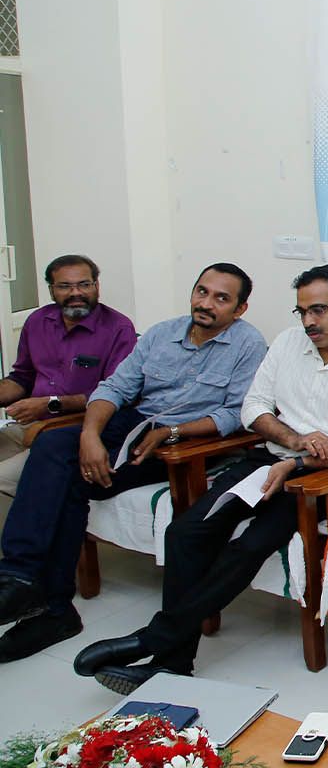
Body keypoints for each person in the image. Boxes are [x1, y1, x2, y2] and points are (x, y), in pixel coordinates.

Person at [74, 263, 328, 693]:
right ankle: (174, 663)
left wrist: (298, 464)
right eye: (301, 311)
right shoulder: (288, 344)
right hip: (269, 458)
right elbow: (253, 408)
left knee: (248, 546)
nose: (308, 322)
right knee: (186, 533)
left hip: (320, 477)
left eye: (318, 310)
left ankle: (156, 641)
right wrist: (293, 441)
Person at [0, 263, 266, 662]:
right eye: (202, 291)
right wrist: (90, 436)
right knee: (54, 445)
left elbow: (235, 415)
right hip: (130, 422)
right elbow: (114, 387)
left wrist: (172, 432)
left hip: (175, 439)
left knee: (69, 481)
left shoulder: (248, 345)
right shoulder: (162, 333)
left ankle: (50, 605)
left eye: (221, 298)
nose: (206, 303)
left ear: (240, 309)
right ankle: (20, 578)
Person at [0, 255, 136, 519]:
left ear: (96, 286)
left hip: (75, 430)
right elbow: (22, 378)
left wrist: (50, 404)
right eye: (64, 286)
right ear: (52, 290)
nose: (76, 293)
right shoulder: (38, 321)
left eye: (84, 284)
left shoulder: (118, 328)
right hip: (28, 426)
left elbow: (117, 395)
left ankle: (21, 539)